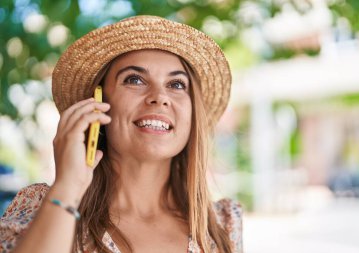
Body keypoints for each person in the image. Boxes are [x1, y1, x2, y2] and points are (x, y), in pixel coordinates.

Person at [0, 15, 242, 253]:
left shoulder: (222, 224)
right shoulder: (43, 207)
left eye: (176, 84)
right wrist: (68, 187)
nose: (160, 96)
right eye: (135, 80)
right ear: (97, 103)